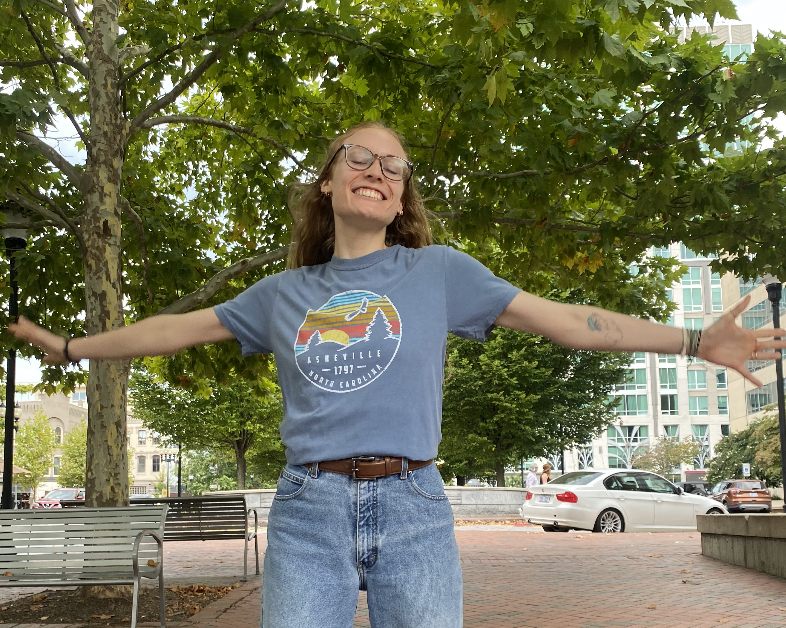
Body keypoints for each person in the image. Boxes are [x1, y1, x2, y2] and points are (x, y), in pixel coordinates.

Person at [8, 121, 785, 628]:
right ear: (328, 181)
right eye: (360, 157)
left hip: (415, 506)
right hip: (308, 511)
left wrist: (691, 343)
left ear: (401, 195)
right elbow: (177, 329)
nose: (380, 170)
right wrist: (73, 348)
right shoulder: (283, 295)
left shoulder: (439, 273)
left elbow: (569, 322)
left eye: (396, 167)